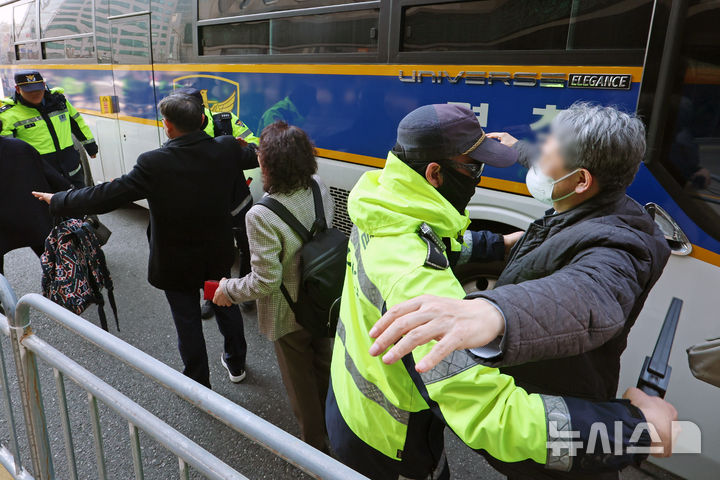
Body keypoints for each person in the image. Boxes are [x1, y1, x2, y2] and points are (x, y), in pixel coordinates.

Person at [326, 104, 678, 480]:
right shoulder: (418, 282)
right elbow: (493, 415)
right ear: (435, 173)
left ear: (581, 181)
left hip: (354, 401)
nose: (536, 162)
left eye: (546, 154)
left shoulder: (384, 204)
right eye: (474, 167)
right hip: (389, 438)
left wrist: (495, 268)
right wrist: (633, 432)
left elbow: (592, 291)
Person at [33, 93, 256, 389]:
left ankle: (199, 383)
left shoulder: (154, 163)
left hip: (175, 260)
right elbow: (256, 153)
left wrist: (59, 200)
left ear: (168, 126)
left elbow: (106, 195)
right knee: (225, 303)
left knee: (187, 319)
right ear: (203, 120)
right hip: (216, 252)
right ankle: (236, 363)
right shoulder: (226, 148)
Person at [212, 121, 334, 452]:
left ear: (268, 164)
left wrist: (228, 288)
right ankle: (336, 435)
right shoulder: (318, 186)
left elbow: (266, 279)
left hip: (288, 312)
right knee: (324, 370)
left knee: (301, 386)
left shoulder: (262, 215)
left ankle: (315, 452)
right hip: (325, 299)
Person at [175, 87, 259, 318]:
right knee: (210, 255)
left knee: (247, 248)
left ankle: (244, 293)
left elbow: (255, 148)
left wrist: (232, 150)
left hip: (237, 202)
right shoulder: (179, 129)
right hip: (205, 209)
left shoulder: (226, 121)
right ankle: (213, 297)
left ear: (201, 113)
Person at [0, 70, 98, 189]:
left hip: (71, 169)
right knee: (51, 206)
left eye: (38, 89)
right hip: (42, 174)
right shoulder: (7, 115)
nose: (35, 94)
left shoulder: (59, 102)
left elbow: (77, 123)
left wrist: (90, 145)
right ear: (17, 89)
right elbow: (7, 150)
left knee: (81, 203)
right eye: (30, 91)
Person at [0, 135, 71, 276]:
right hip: (34, 215)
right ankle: (68, 293)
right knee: (56, 264)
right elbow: (54, 178)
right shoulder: (19, 146)